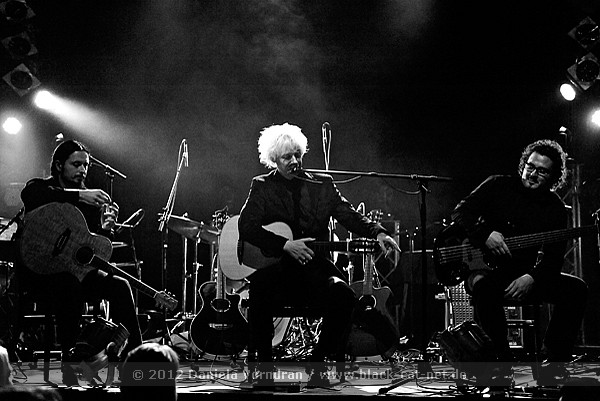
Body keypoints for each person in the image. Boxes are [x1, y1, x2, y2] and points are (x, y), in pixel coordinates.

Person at [238, 123, 400, 387]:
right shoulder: (262, 186)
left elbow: (348, 214)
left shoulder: (322, 184)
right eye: (287, 157)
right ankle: (264, 371)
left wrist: (378, 232)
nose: (294, 161)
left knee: (344, 295)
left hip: (314, 269)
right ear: (274, 159)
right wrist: (285, 245)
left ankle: (317, 364)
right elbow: (247, 227)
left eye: (297, 155)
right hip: (278, 269)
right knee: (259, 290)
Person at [450, 139, 588, 384]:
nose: (532, 174)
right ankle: (502, 362)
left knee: (577, 289)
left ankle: (555, 361)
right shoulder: (497, 184)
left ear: (554, 177)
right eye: (530, 166)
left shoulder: (555, 208)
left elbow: (554, 259)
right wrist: (485, 235)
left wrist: (531, 278)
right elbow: (460, 211)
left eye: (542, 171)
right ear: (523, 164)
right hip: (485, 269)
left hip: (525, 274)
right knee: (483, 288)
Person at [17, 140, 143, 386]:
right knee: (67, 283)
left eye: (85, 165)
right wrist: (79, 195)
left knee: (120, 285)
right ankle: (71, 360)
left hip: (78, 273)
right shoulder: (41, 188)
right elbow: (29, 194)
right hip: (42, 275)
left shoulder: (89, 204)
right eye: (76, 164)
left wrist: (105, 230)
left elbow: (92, 252)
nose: (82, 170)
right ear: (58, 165)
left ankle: (135, 361)